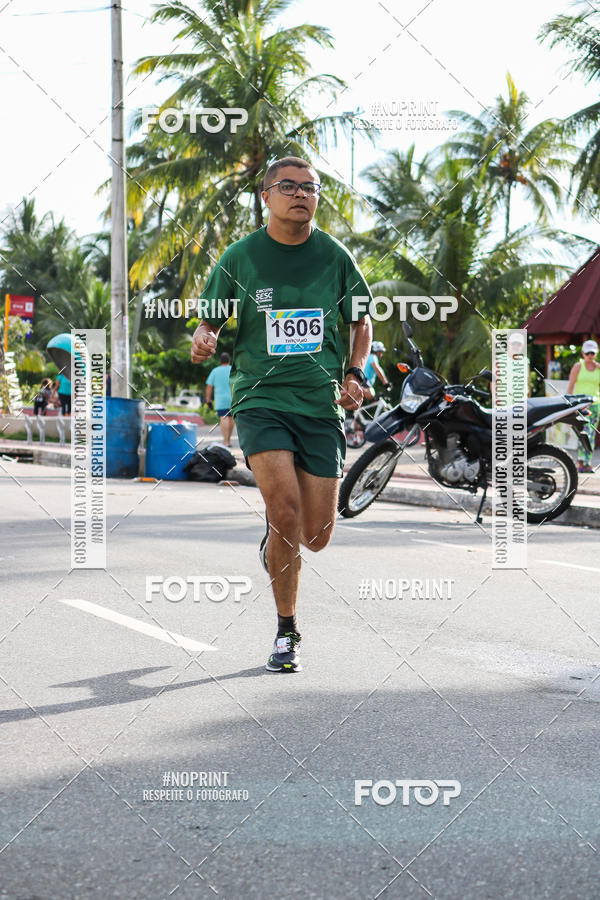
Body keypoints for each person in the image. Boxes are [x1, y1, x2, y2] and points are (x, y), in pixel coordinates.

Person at [191, 156, 373, 673]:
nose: (301, 194)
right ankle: (287, 630)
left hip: (320, 406)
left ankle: (277, 541)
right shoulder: (241, 257)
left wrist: (356, 373)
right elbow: (210, 321)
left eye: (311, 187)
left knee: (315, 536)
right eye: (288, 186)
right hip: (261, 400)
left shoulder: (335, 257)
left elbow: (361, 322)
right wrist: (206, 336)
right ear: (265, 197)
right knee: (285, 511)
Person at [567, 339, 600, 473]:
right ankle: (581, 461)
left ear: (596, 353)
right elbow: (571, 386)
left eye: (592, 353)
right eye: (588, 353)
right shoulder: (578, 367)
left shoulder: (598, 368)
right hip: (581, 405)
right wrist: (569, 403)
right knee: (583, 432)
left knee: (591, 434)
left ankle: (587, 462)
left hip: (595, 405)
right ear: (583, 353)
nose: (590, 356)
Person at [205, 352, 235, 447]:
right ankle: (228, 440)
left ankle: (225, 441)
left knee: (224, 418)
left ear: (220, 361)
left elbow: (209, 386)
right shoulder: (232, 370)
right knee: (231, 418)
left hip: (220, 399)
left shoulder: (215, 371)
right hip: (233, 398)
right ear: (229, 360)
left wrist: (208, 399)